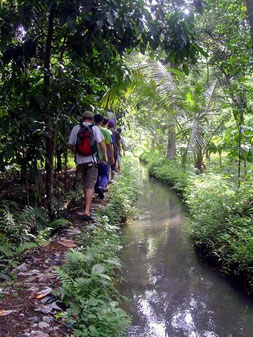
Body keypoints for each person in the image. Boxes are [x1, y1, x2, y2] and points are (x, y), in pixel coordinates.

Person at [67, 111, 107, 221]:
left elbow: (69, 144)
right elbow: (102, 146)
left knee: (85, 183)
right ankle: (87, 211)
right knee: (90, 185)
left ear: (82, 118)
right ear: (92, 119)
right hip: (92, 160)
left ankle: (86, 206)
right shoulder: (95, 128)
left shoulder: (76, 128)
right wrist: (104, 158)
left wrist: (75, 152)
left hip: (80, 161)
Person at [94, 114, 114, 199]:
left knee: (96, 174)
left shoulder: (91, 129)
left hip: (92, 156)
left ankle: (96, 189)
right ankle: (101, 187)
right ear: (102, 121)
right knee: (105, 174)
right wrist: (111, 157)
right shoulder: (105, 131)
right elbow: (109, 145)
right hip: (102, 155)